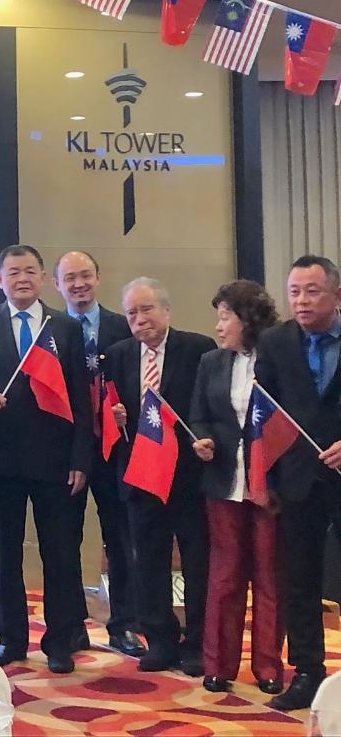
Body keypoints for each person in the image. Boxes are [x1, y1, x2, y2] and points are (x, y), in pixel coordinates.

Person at [0, 244, 91, 674]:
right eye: (12, 272)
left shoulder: (65, 328)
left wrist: (80, 458)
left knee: (60, 554)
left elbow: (80, 398)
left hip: (55, 460)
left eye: (30, 271)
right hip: (0, 460)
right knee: (5, 553)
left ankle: (59, 642)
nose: (21, 278)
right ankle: (11, 639)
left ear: (41, 278)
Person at [104, 277, 215, 676]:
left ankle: (198, 643)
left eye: (147, 309)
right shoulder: (116, 355)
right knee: (147, 562)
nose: (139, 319)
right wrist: (114, 417)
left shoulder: (199, 349)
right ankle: (160, 640)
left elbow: (210, 405)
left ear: (166, 311)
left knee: (197, 562)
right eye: (131, 312)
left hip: (188, 476)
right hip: (141, 476)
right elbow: (112, 409)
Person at [253, 254, 341, 711]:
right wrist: (262, 480)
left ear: (337, 295)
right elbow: (261, 414)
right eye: (294, 292)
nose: (302, 301)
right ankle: (308, 672)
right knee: (299, 581)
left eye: (312, 291)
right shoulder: (275, 342)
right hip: (298, 479)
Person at [188, 279, 284, 695]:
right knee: (225, 576)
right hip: (223, 480)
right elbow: (200, 415)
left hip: (270, 483)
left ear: (247, 319)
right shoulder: (211, 361)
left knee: (268, 576)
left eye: (225, 316)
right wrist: (202, 439)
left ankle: (267, 667)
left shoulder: (279, 357)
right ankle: (218, 666)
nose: (219, 325)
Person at [52, 250, 143, 659]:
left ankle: (124, 625)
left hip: (115, 448)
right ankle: (72, 627)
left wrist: (128, 411)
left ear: (98, 277)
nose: (78, 285)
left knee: (121, 541)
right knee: (63, 542)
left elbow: (143, 384)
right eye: (69, 278)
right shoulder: (49, 329)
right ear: (57, 285)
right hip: (67, 449)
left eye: (85, 276)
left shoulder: (123, 327)